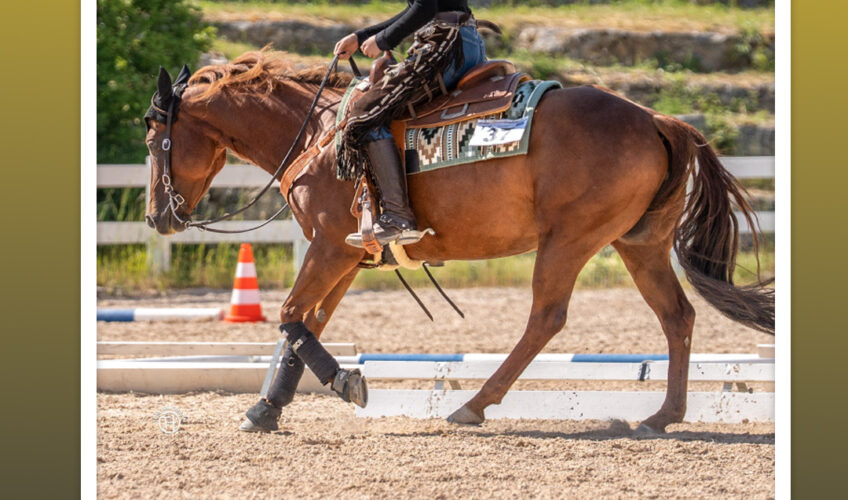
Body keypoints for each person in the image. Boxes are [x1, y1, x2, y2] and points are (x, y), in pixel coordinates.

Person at [334, 0, 487, 248]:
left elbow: (425, 8)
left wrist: (383, 41)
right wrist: (362, 36)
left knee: (364, 114)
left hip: (444, 45)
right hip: (465, 40)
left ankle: (397, 216)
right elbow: (419, 7)